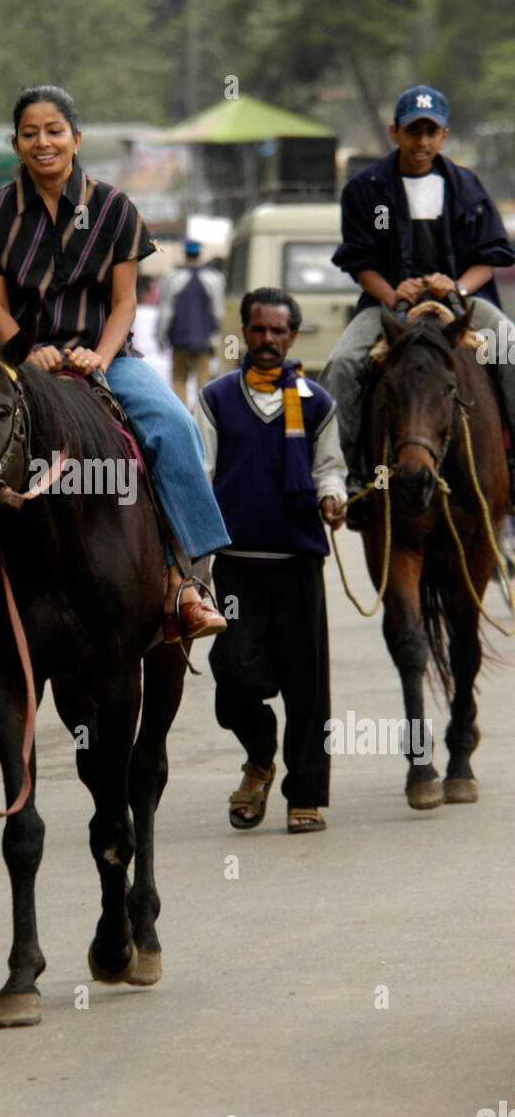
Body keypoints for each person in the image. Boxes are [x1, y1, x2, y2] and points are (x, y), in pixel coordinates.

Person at [0, 83, 229, 642]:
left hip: (106, 356)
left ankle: (186, 581)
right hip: (22, 360)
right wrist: (27, 352)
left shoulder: (114, 207)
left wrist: (97, 358)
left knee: (175, 427)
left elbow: (126, 301)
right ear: (16, 143)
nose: (43, 142)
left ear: (76, 138)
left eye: (54, 131)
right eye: (30, 133)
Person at [321, 84, 515, 526]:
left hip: (460, 304)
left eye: (431, 131)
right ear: (395, 132)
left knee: (512, 348)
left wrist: (459, 288)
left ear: (444, 135)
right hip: (389, 309)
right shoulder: (366, 189)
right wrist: (392, 293)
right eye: (413, 131)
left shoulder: (467, 186)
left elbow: (491, 255)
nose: (422, 141)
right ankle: (347, 478)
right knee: (342, 365)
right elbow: (358, 259)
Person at [194, 288, 347, 832]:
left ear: (291, 336)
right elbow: (201, 474)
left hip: (297, 562)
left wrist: (332, 496)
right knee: (232, 674)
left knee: (308, 686)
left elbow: (329, 467)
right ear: (244, 332)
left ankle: (304, 793)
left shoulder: (316, 402)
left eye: (278, 331)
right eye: (257, 330)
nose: (266, 340)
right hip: (235, 564)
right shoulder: (214, 399)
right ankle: (260, 757)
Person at [157, 237, 224, 404]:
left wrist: (160, 336)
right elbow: (218, 311)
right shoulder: (214, 278)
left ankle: (184, 414)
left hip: (179, 339)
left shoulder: (172, 276)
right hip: (204, 339)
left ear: (185, 253)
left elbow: (166, 310)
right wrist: (217, 336)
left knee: (179, 379)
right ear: (199, 254)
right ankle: (203, 416)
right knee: (204, 380)